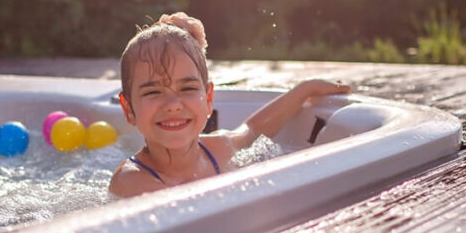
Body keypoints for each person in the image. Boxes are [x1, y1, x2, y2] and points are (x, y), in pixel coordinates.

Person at [109, 12, 352, 198]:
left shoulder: (217, 150)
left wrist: (305, 89)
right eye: (153, 91)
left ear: (209, 99)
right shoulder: (132, 182)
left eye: (187, 88)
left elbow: (254, 130)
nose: (173, 105)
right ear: (129, 109)